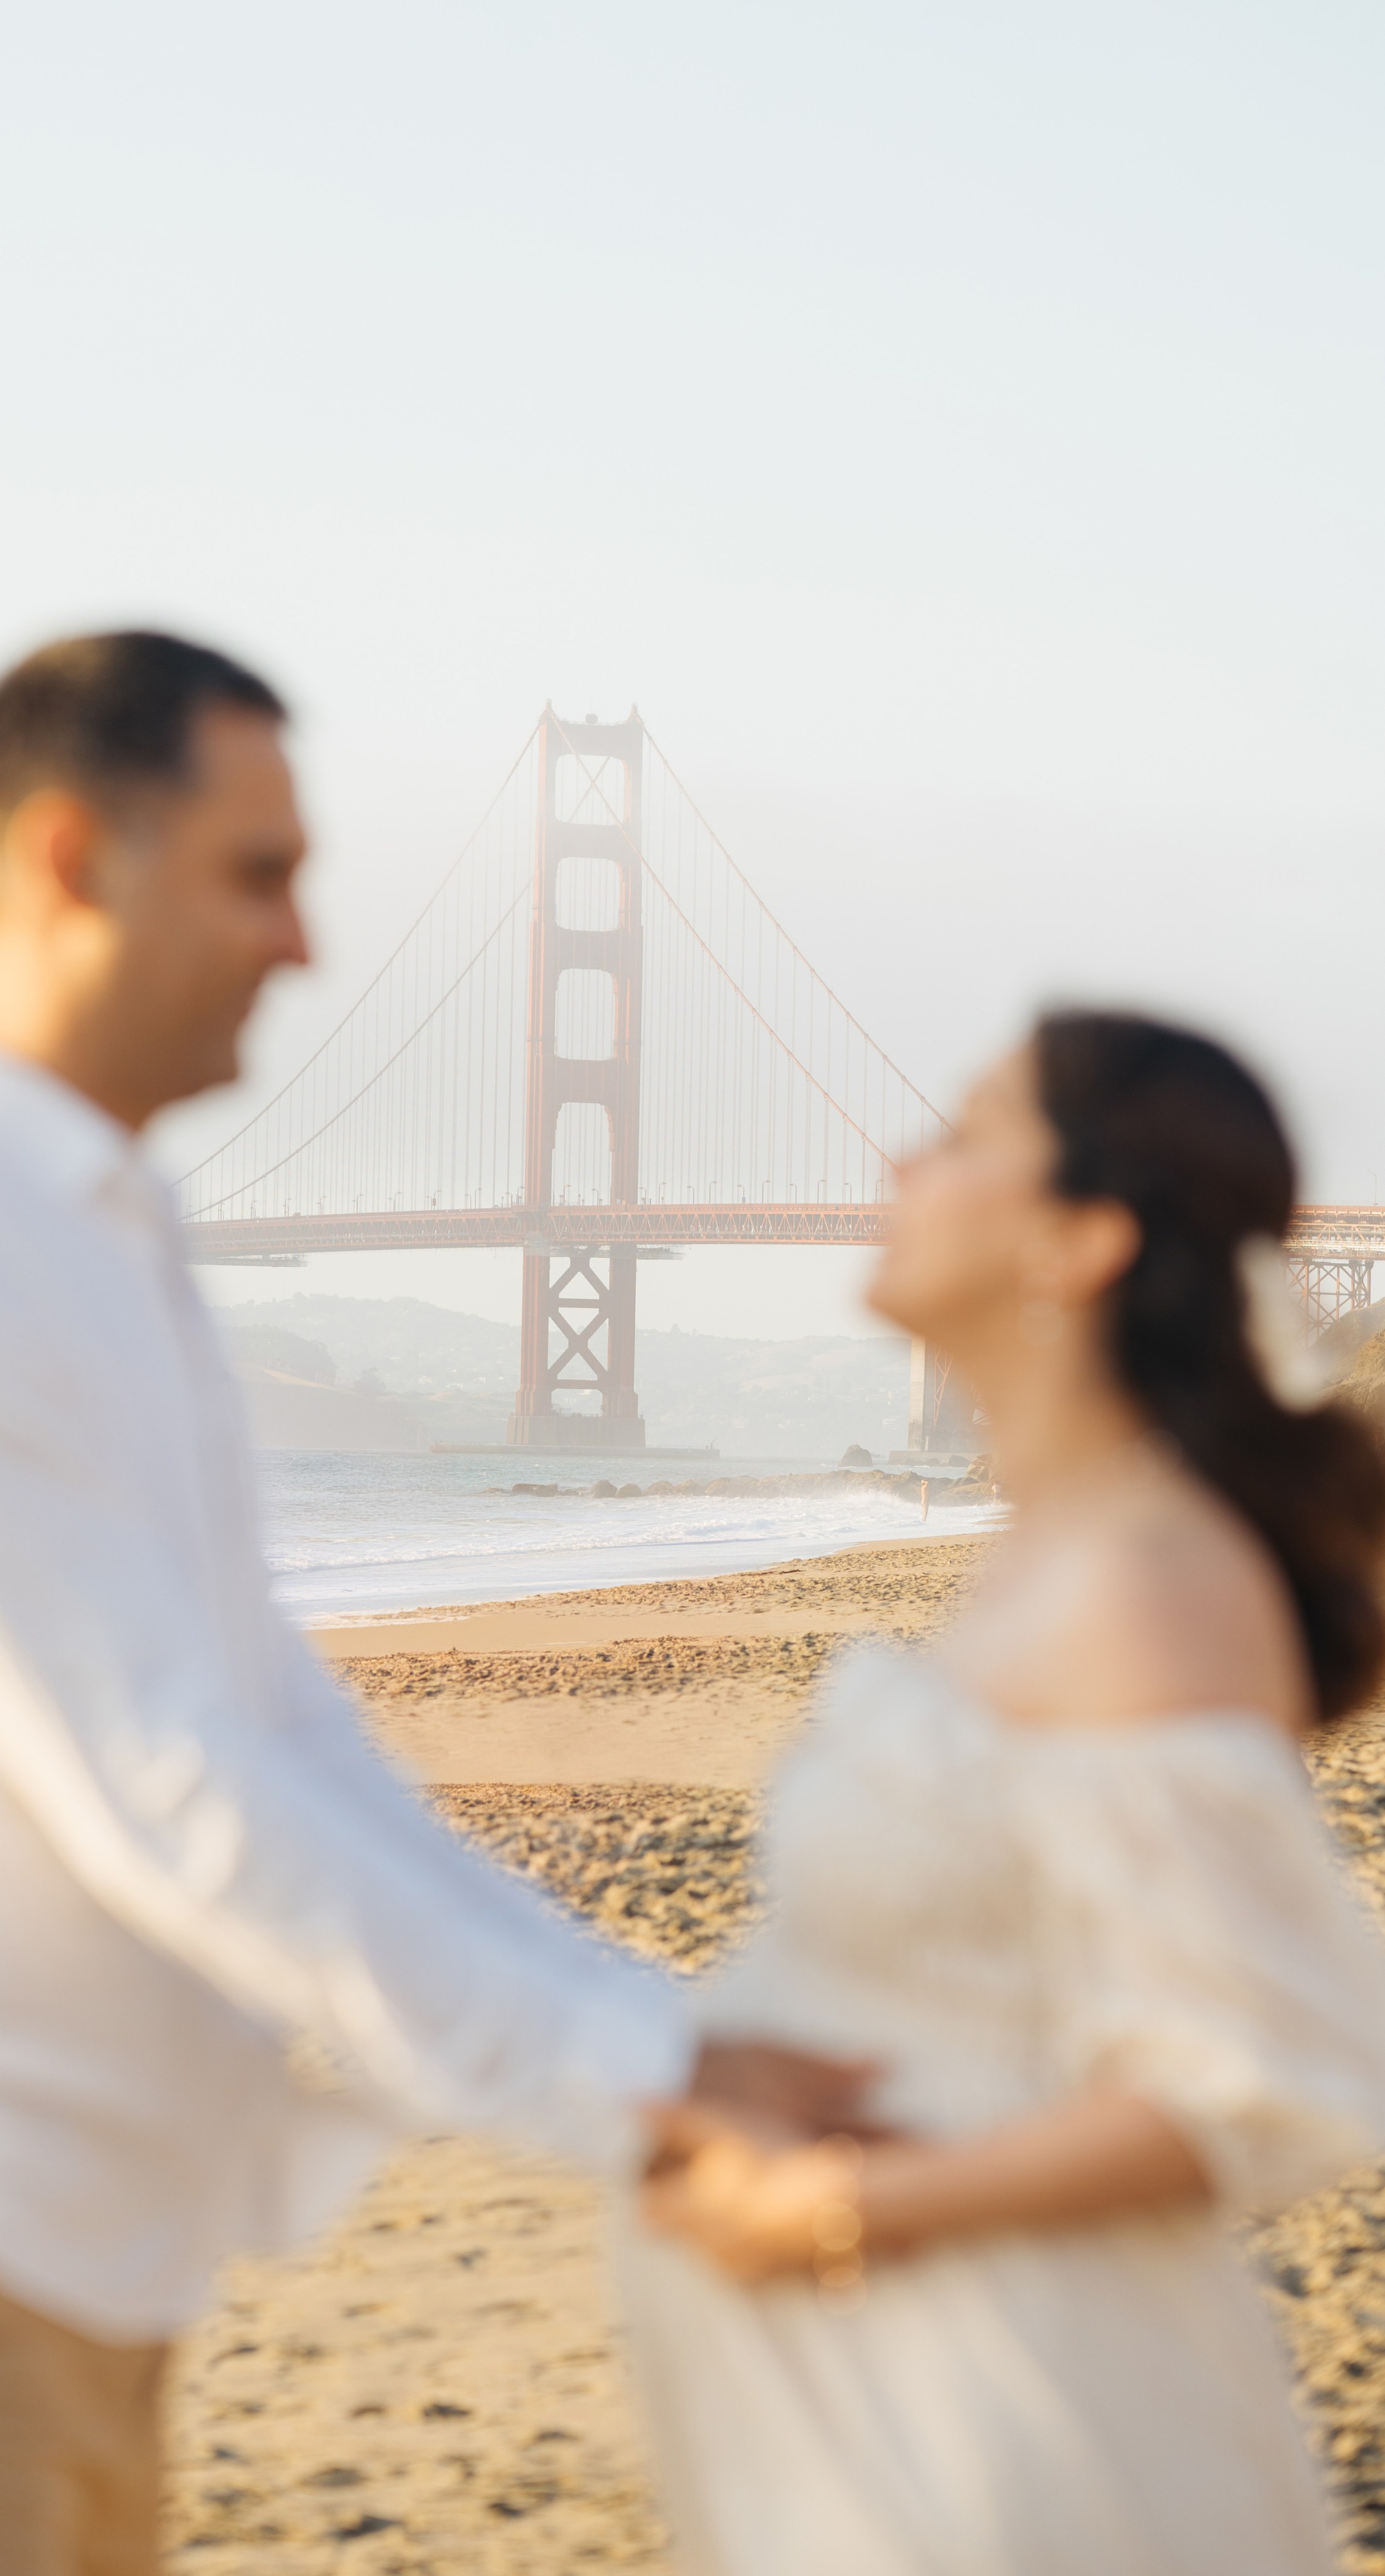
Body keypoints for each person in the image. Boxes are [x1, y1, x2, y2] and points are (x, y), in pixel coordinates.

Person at [0, 631, 856, 2576]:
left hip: (61, 2266)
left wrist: (660, 2036)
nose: (305, 945)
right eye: (259, 873)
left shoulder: (95, 1244)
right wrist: (645, 2090)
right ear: (69, 859)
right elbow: (165, 1774)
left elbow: (287, 1729)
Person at [630, 1010, 1385, 2576]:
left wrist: (833, 2216)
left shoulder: (1148, 1578)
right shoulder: (1049, 1555)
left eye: (967, 1130)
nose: (898, 1159)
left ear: (1084, 1239)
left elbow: (1248, 2072)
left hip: (1002, 2422)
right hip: (880, 2413)